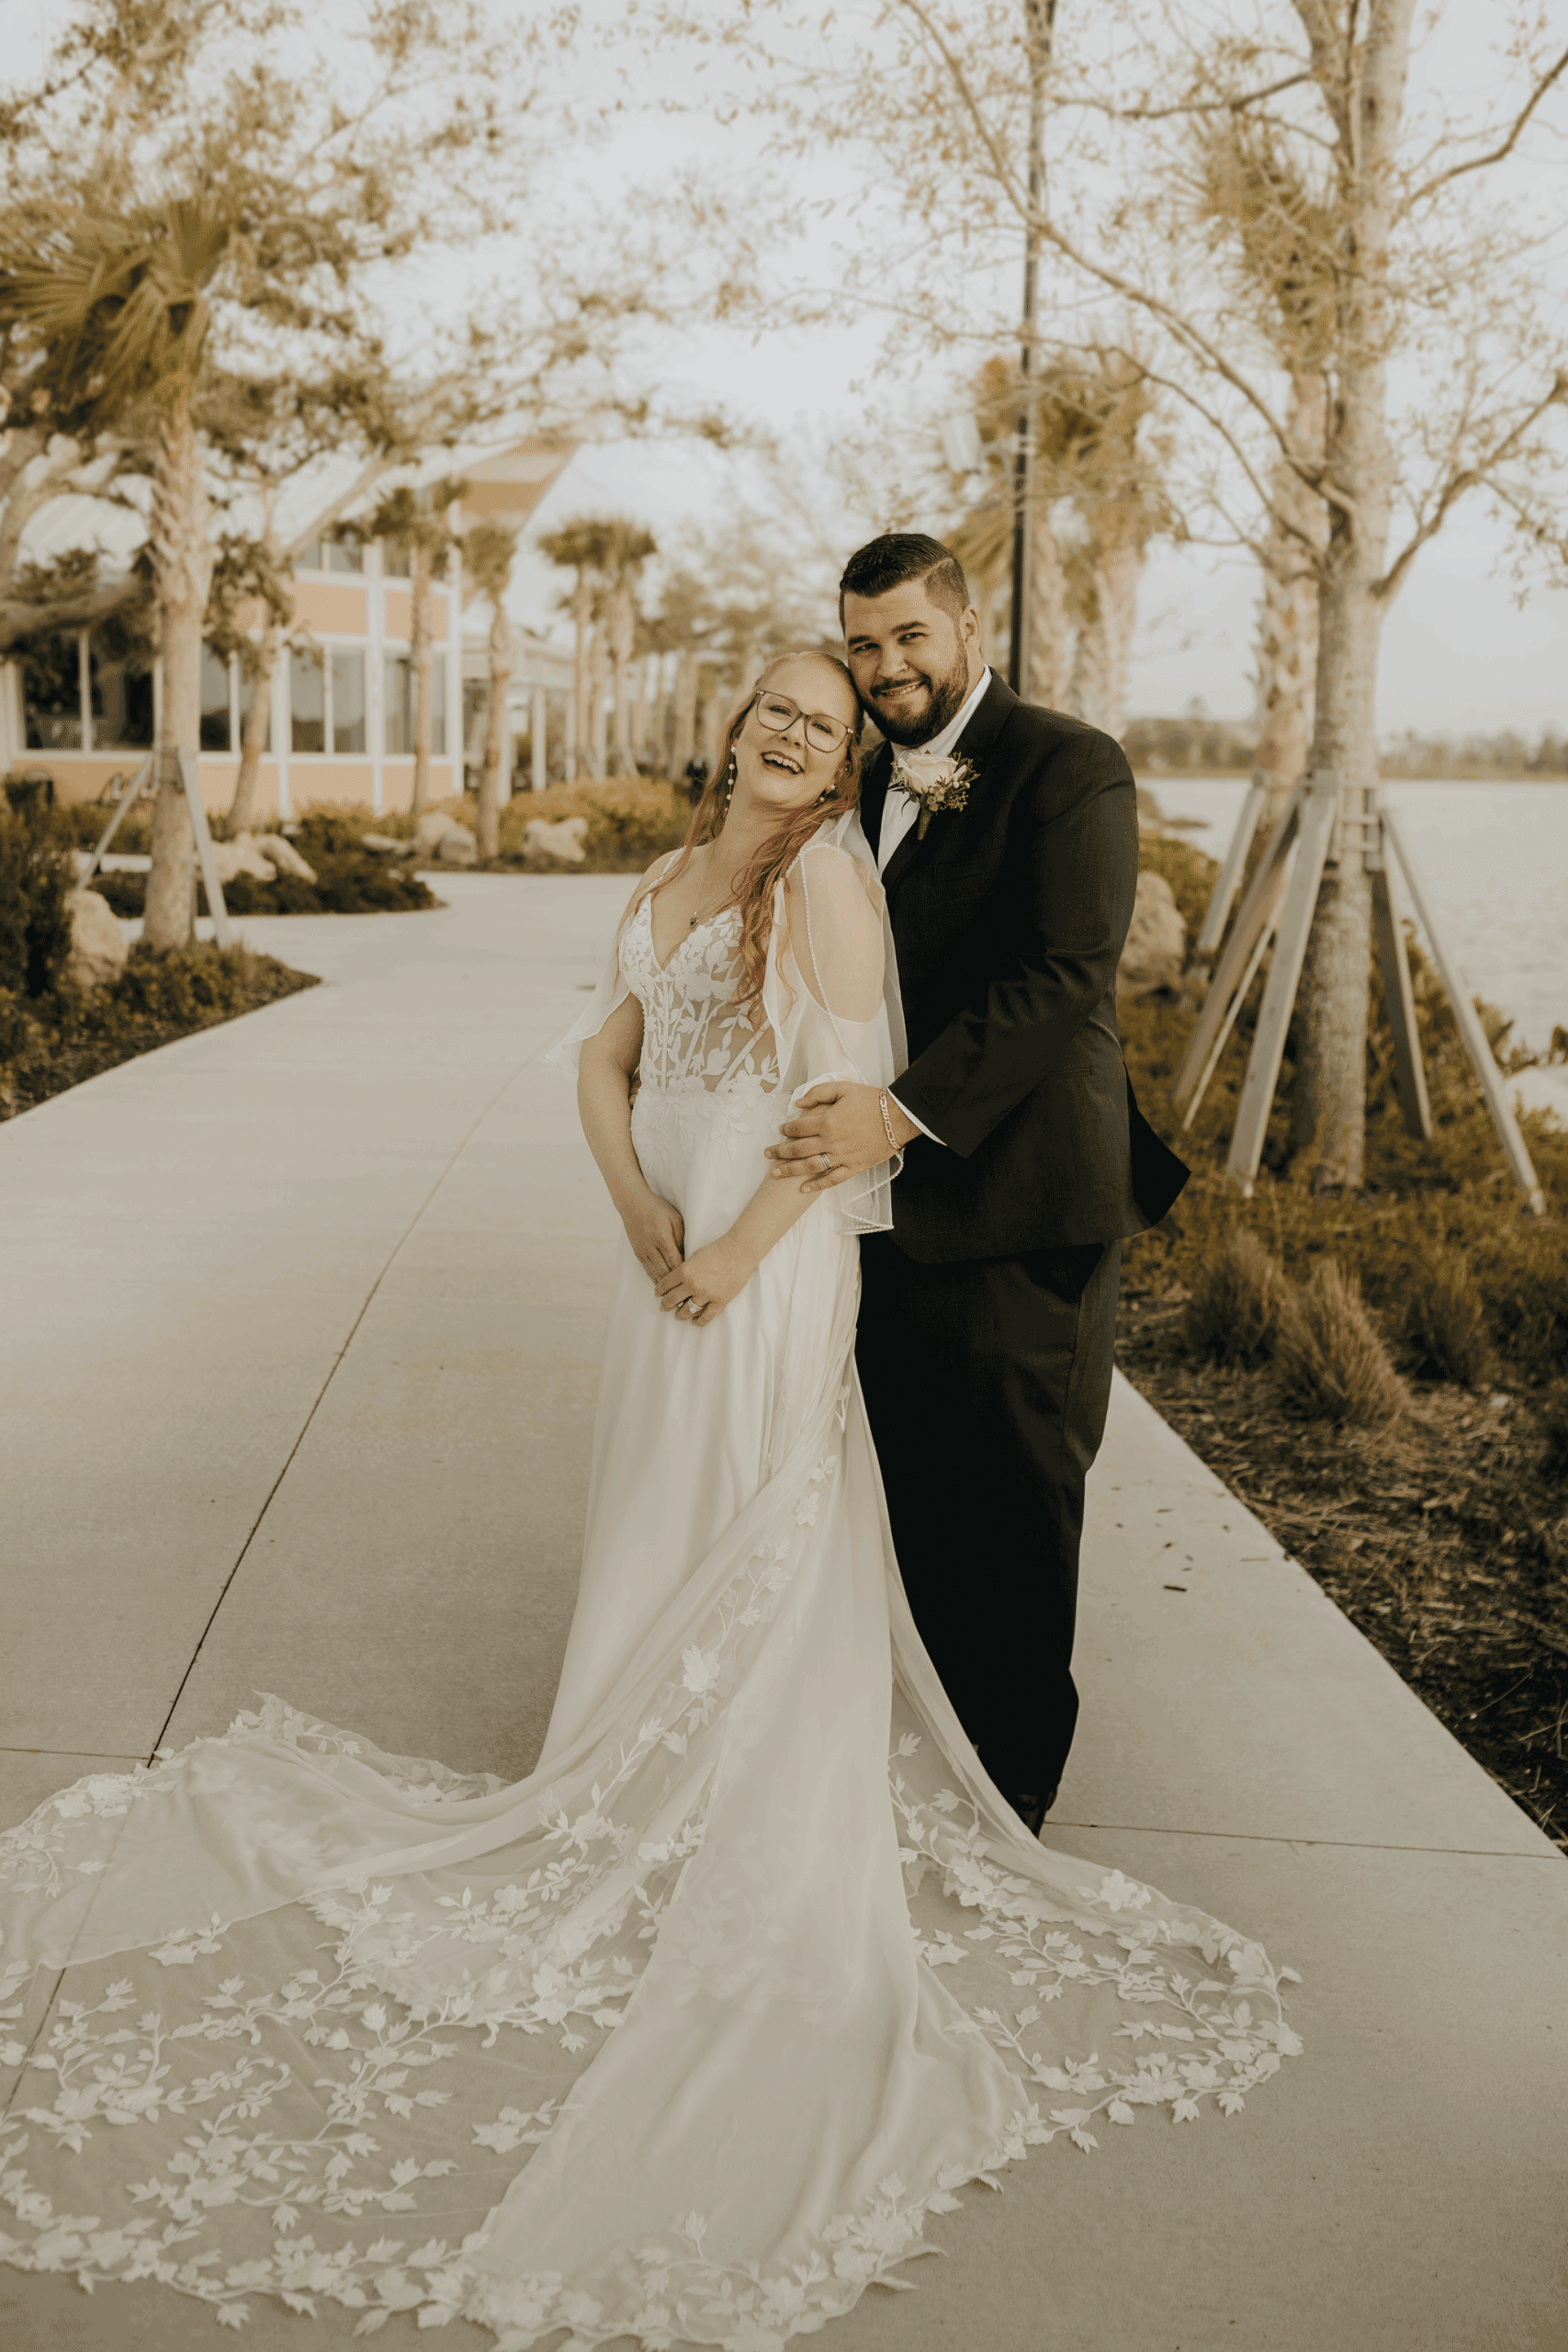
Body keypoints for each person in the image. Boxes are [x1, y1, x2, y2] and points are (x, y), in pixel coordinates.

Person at [0, 653, 1292, 2347]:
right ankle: (619, 1774)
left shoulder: (826, 884)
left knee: (753, 1515)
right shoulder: (673, 875)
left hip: (765, 1264)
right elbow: (600, 1067)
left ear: (841, 767)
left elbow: (843, 1116)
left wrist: (739, 1251)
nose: (795, 729)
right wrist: (637, 1217)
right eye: (775, 705)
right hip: (663, 1252)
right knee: (657, 1514)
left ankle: (725, 1802)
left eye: (825, 722)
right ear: (734, 727)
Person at [765, 536, 1189, 1832]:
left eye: (908, 635)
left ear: (964, 626)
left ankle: (1011, 1804)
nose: (885, 665)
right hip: (882, 1216)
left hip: (1019, 1206)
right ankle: (920, 1772)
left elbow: (1062, 975)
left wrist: (893, 1116)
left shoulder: (1068, 766)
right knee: (909, 1502)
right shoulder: (855, 780)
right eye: (862, 644)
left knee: (1013, 1510)